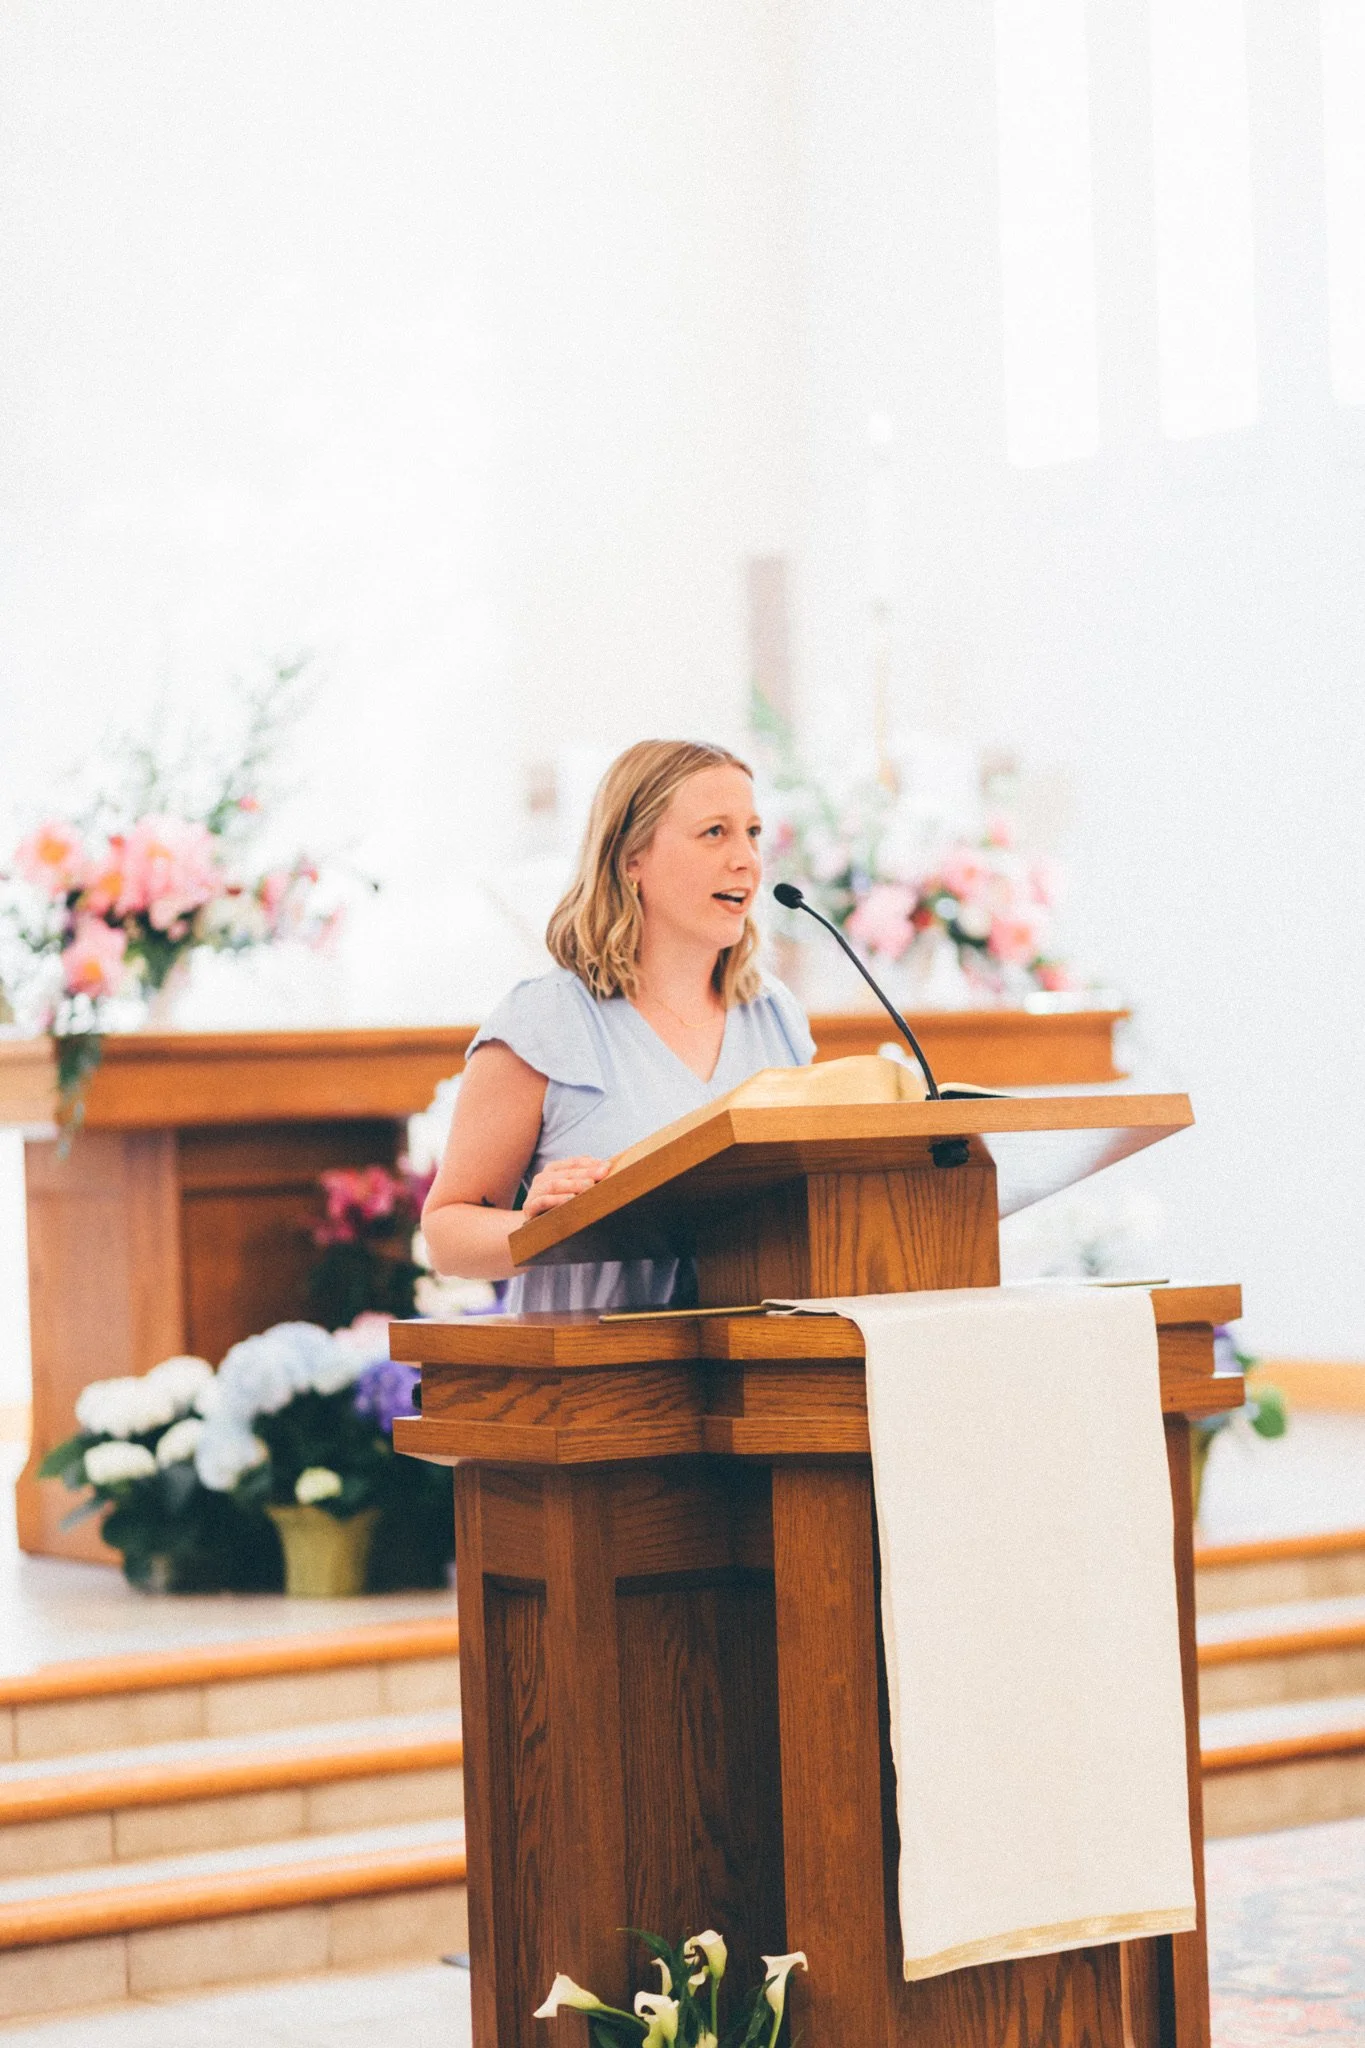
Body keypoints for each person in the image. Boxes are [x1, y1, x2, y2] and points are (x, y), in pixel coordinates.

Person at [421, 737, 815, 1311]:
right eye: (714, 832)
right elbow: (447, 1235)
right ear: (633, 858)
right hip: (596, 1363)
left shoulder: (775, 1016)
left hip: (762, 1356)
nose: (746, 860)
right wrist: (537, 1227)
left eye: (752, 833)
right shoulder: (546, 1020)